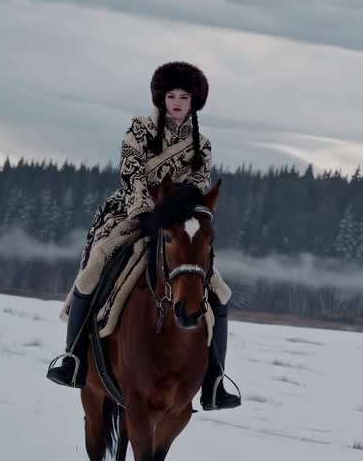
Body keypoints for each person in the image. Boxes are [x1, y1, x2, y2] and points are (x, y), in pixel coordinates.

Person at [46, 61, 240, 411]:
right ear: (161, 98)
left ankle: (215, 380)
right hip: (133, 213)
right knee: (94, 269)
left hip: (178, 225)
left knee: (221, 293)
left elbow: (198, 187)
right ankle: (72, 358)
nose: (177, 102)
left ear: (194, 102)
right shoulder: (138, 130)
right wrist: (147, 209)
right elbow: (131, 172)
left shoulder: (203, 144)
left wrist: (180, 216)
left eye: (184, 96)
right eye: (171, 96)